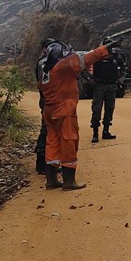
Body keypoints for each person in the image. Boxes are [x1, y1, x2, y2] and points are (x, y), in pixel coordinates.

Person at [38, 38, 118, 190]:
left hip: (49, 111)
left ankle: (51, 180)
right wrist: (104, 48)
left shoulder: (46, 71)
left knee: (52, 144)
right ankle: (69, 181)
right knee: (69, 141)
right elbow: (85, 60)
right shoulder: (62, 66)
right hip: (64, 110)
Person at [90, 36, 125, 143]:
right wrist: (89, 79)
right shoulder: (97, 56)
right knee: (96, 110)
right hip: (99, 86)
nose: (111, 47)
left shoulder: (116, 56)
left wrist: (121, 78)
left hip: (111, 86)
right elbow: (85, 66)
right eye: (109, 45)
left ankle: (106, 131)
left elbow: (123, 68)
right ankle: (95, 133)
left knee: (109, 109)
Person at [34, 38, 57, 175]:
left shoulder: (46, 61)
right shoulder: (43, 63)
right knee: (46, 131)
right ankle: (42, 165)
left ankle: (47, 164)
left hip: (49, 100)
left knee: (50, 132)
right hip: (48, 100)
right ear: (44, 49)